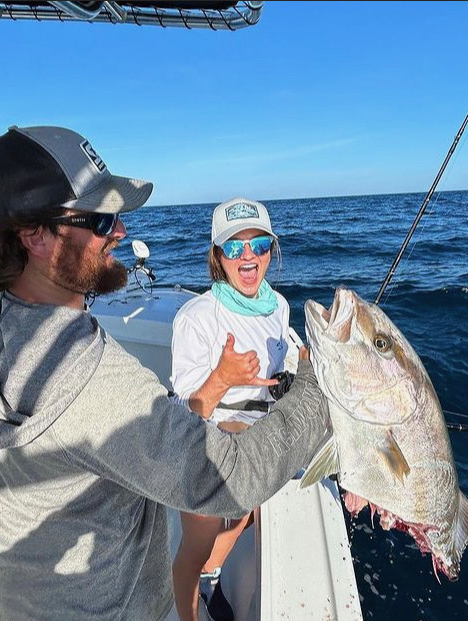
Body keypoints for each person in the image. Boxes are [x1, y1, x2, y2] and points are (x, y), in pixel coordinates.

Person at [0, 125, 330, 621]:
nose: (121, 232)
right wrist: (321, 389)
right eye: (101, 219)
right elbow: (232, 480)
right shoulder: (91, 381)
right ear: (35, 236)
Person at [169, 198, 290, 621]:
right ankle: (189, 612)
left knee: (250, 515)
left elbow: (285, 365)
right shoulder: (196, 318)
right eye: (234, 248)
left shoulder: (279, 307)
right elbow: (185, 412)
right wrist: (223, 376)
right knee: (195, 549)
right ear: (218, 256)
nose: (249, 256)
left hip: (260, 445)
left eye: (258, 244)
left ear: (271, 250)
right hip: (206, 449)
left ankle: (217, 581)